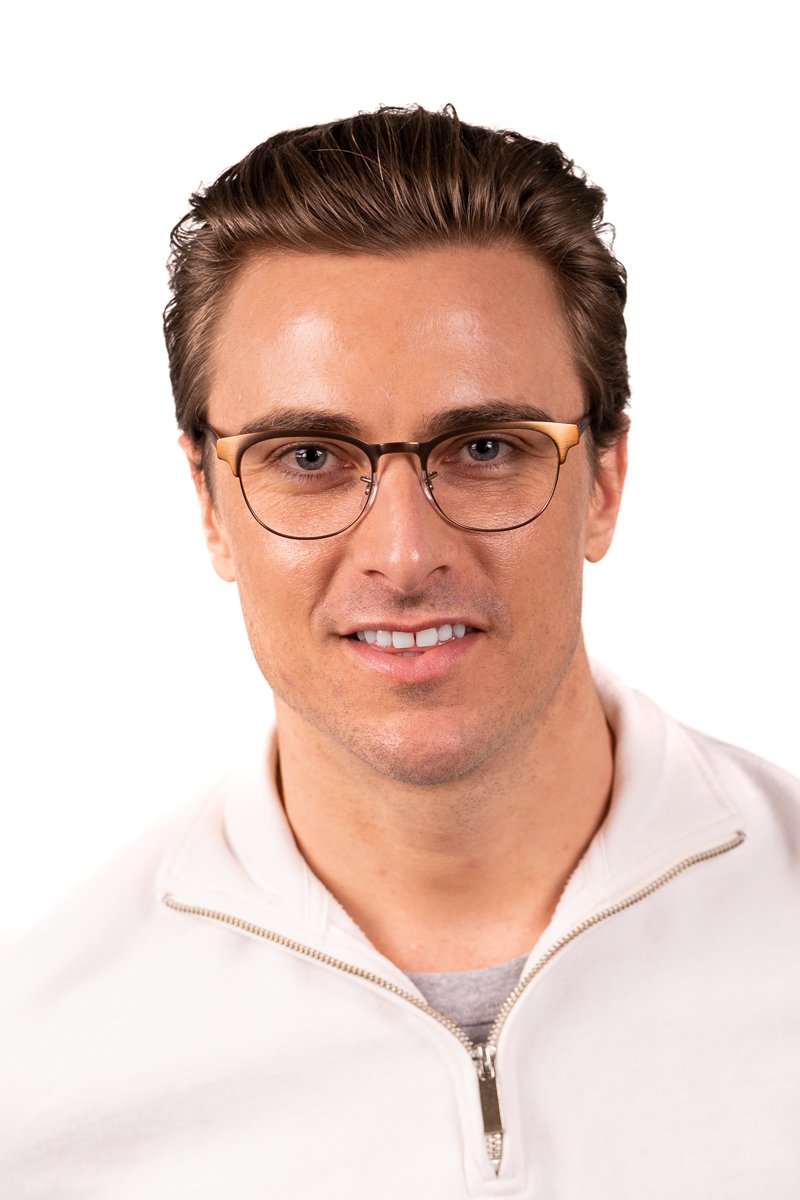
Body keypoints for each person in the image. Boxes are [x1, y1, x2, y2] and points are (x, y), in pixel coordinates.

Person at [2, 105, 798, 1199]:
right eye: (309, 457)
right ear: (209, 503)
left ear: (604, 483)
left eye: (484, 448)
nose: (405, 554)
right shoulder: (36, 1077)